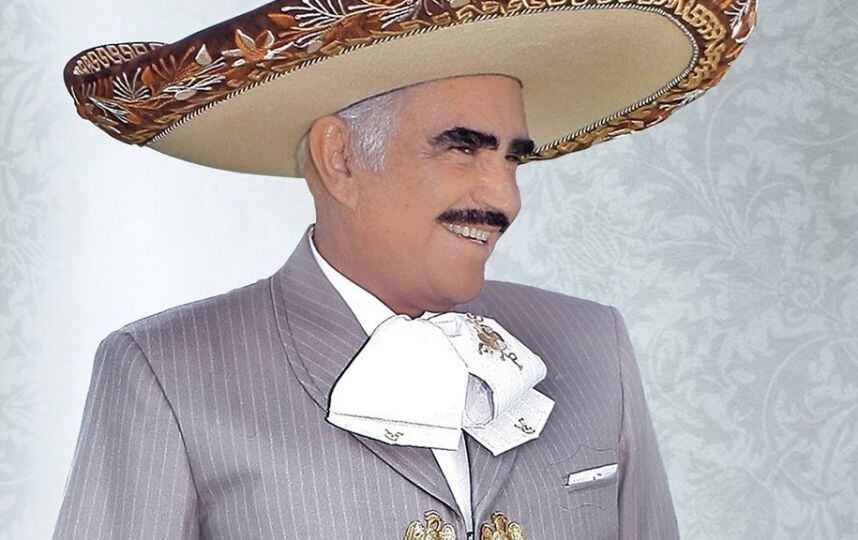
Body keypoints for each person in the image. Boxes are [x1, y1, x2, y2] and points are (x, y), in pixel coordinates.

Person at [54, 1, 756, 538]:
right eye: (462, 148)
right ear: (340, 159)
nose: (504, 198)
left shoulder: (593, 342)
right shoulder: (165, 371)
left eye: (511, 158)